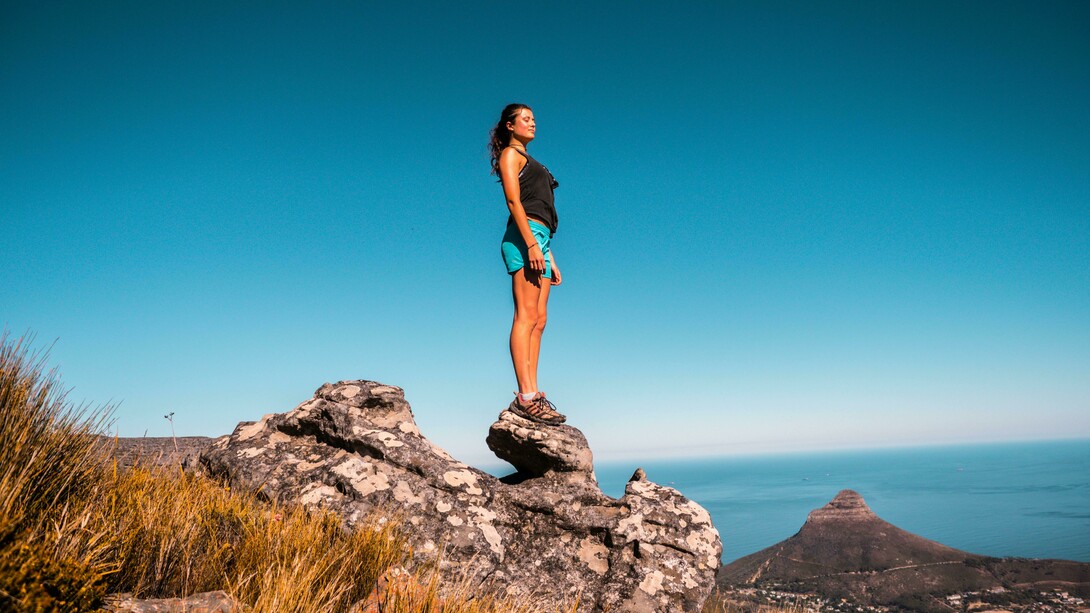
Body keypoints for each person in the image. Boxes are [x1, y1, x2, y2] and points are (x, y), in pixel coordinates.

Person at [489, 103, 566, 425]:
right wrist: (532, 244)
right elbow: (513, 201)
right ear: (509, 125)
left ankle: (535, 392)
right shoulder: (511, 155)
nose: (532, 123)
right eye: (525, 119)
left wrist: (549, 255)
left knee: (540, 320)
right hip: (525, 236)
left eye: (534, 118)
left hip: (540, 239)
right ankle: (526, 396)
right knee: (525, 315)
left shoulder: (534, 161)